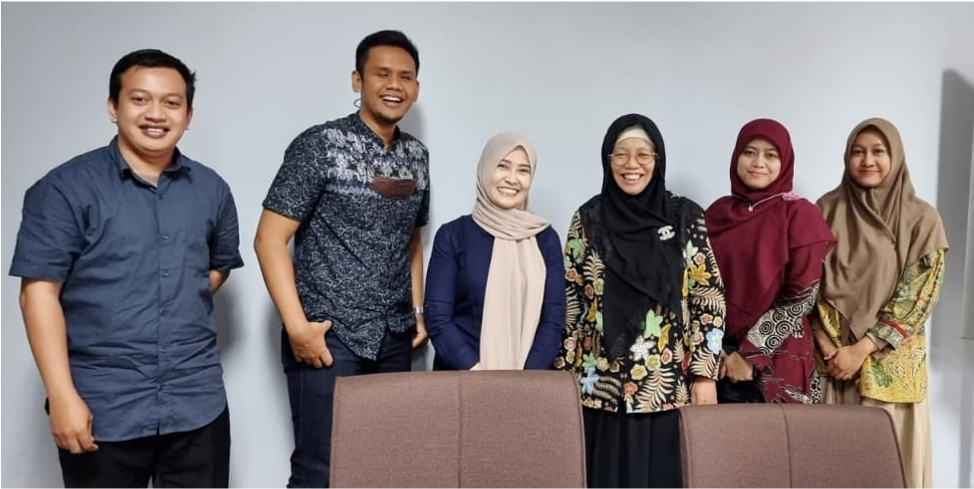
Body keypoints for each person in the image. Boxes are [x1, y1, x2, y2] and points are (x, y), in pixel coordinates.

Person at [10, 48, 243, 489]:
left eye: (171, 102)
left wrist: (163, 298)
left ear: (188, 115)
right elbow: (37, 294)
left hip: (196, 402)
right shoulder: (63, 190)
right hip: (102, 404)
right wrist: (61, 396)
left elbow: (216, 269)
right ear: (113, 108)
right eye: (139, 99)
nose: (156, 114)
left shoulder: (212, 190)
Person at [254, 30, 429, 489]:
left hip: (394, 336)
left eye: (405, 77)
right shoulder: (319, 145)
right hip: (329, 336)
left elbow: (411, 240)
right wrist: (298, 328)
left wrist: (416, 312)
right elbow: (269, 239)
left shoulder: (417, 156)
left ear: (416, 87)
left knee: (386, 469)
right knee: (320, 470)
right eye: (382, 74)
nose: (394, 85)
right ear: (358, 80)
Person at [555, 113, 724, 489]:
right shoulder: (588, 219)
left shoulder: (684, 217)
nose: (632, 164)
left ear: (658, 159)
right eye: (621, 154)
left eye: (644, 154)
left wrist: (704, 374)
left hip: (663, 389)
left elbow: (708, 298)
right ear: (607, 159)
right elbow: (571, 301)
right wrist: (563, 378)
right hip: (599, 390)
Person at [813, 117, 946, 489]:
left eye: (878, 151)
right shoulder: (824, 210)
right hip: (836, 370)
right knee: (834, 472)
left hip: (891, 373)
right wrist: (829, 347)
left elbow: (918, 297)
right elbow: (805, 287)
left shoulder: (922, 219)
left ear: (896, 155)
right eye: (857, 152)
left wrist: (861, 350)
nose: (867, 160)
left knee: (890, 473)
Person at [704, 118, 834, 404]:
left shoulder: (799, 214)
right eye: (749, 152)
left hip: (780, 360)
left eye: (771, 155)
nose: (758, 162)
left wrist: (750, 355)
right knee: (715, 433)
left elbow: (801, 296)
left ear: (784, 161)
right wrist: (712, 350)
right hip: (719, 360)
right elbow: (699, 288)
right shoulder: (716, 214)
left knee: (781, 434)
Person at [424, 132, 563, 370]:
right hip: (462, 377)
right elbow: (438, 319)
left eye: (523, 170)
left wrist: (524, 380)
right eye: (502, 166)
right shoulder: (453, 236)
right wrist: (481, 377)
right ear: (485, 168)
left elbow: (553, 321)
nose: (512, 179)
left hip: (527, 382)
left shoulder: (545, 239)